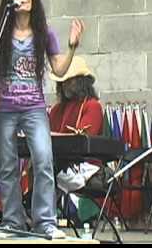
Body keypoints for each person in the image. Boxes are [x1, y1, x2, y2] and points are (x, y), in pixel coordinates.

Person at [0, 0, 84, 239]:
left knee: (43, 159)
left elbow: (59, 69)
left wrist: (72, 46)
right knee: (7, 166)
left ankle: (45, 222)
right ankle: (13, 222)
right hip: (4, 108)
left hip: (34, 108)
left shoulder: (45, 32)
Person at [49, 56, 104, 225]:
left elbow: (83, 141)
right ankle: (34, 212)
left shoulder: (92, 106)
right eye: (62, 81)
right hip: (58, 162)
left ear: (81, 82)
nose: (64, 84)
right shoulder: (56, 109)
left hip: (83, 165)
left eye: (69, 80)